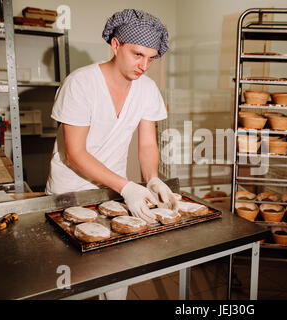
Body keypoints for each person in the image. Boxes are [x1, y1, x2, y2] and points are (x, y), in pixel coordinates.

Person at [45, 9, 176, 299]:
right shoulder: (81, 84)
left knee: (116, 278)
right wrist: (127, 186)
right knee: (69, 282)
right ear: (115, 45)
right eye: (137, 54)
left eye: (151, 58)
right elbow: (74, 154)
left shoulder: (147, 89)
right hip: (69, 193)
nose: (145, 65)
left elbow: (147, 144)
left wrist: (152, 179)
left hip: (112, 190)